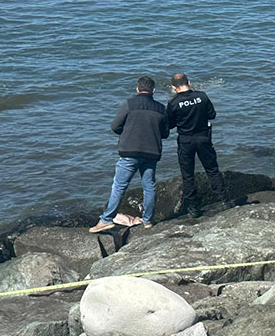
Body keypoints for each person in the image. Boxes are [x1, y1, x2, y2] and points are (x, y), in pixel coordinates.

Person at [89, 76, 169, 233]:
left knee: (119, 186)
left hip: (130, 151)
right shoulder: (161, 108)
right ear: (153, 91)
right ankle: (147, 220)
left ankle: (106, 220)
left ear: (137, 89)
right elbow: (165, 133)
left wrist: (126, 132)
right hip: (152, 152)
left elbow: (115, 126)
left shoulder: (129, 104)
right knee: (149, 186)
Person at [166, 72, 229, 215]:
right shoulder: (202, 96)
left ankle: (193, 208)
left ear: (174, 87)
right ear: (188, 82)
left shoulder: (173, 103)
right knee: (212, 169)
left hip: (185, 140)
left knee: (188, 174)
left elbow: (169, 125)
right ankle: (223, 200)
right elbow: (212, 115)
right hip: (203, 137)